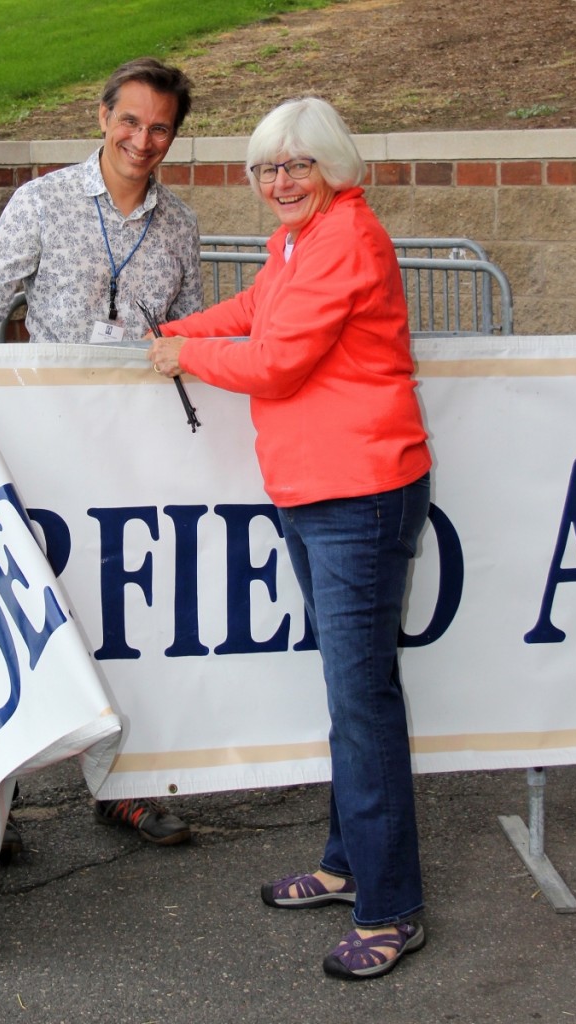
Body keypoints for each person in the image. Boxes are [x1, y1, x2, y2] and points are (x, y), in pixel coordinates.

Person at [147, 97, 432, 980]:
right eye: (267, 168)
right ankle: (349, 868)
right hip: (319, 491)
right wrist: (174, 331)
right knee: (352, 696)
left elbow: (275, 362)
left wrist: (181, 358)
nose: (279, 183)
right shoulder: (298, 242)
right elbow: (253, 309)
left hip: (362, 492)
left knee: (362, 703)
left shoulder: (345, 238)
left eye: (297, 166)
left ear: (332, 168)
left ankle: (392, 909)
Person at [0, 57, 203, 853]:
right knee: (21, 617)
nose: (142, 140)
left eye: (159, 128)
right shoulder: (42, 202)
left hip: (132, 454)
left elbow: (186, 335)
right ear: (102, 117)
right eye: (130, 121)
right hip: (43, 446)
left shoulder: (181, 224)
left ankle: (121, 786)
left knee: (128, 616)